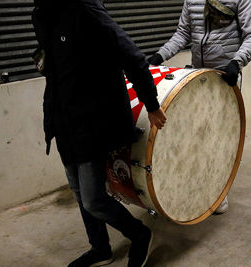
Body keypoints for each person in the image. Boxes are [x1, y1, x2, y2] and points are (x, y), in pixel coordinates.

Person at [32, 0, 167, 266]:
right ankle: (100, 248)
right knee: (79, 192)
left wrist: (151, 103)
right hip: (63, 121)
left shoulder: (84, 8)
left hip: (92, 121)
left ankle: (139, 234)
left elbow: (132, 56)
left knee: (93, 198)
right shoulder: (41, 14)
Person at [148, 0, 251, 214]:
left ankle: (218, 192)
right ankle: (196, 185)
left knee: (219, 137)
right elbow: (183, 33)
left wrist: (236, 62)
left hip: (225, 76)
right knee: (195, 136)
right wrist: (160, 55)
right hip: (197, 76)